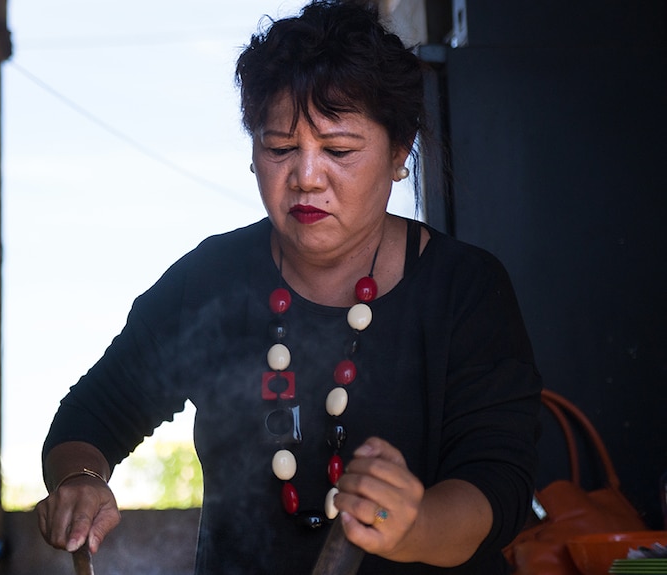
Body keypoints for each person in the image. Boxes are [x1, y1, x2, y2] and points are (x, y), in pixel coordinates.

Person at [36, 1, 542, 573]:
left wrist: (414, 526)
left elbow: (496, 487)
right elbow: (90, 418)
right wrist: (79, 483)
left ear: (400, 154)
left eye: (339, 151)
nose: (305, 177)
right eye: (279, 148)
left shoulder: (465, 290)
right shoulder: (210, 280)